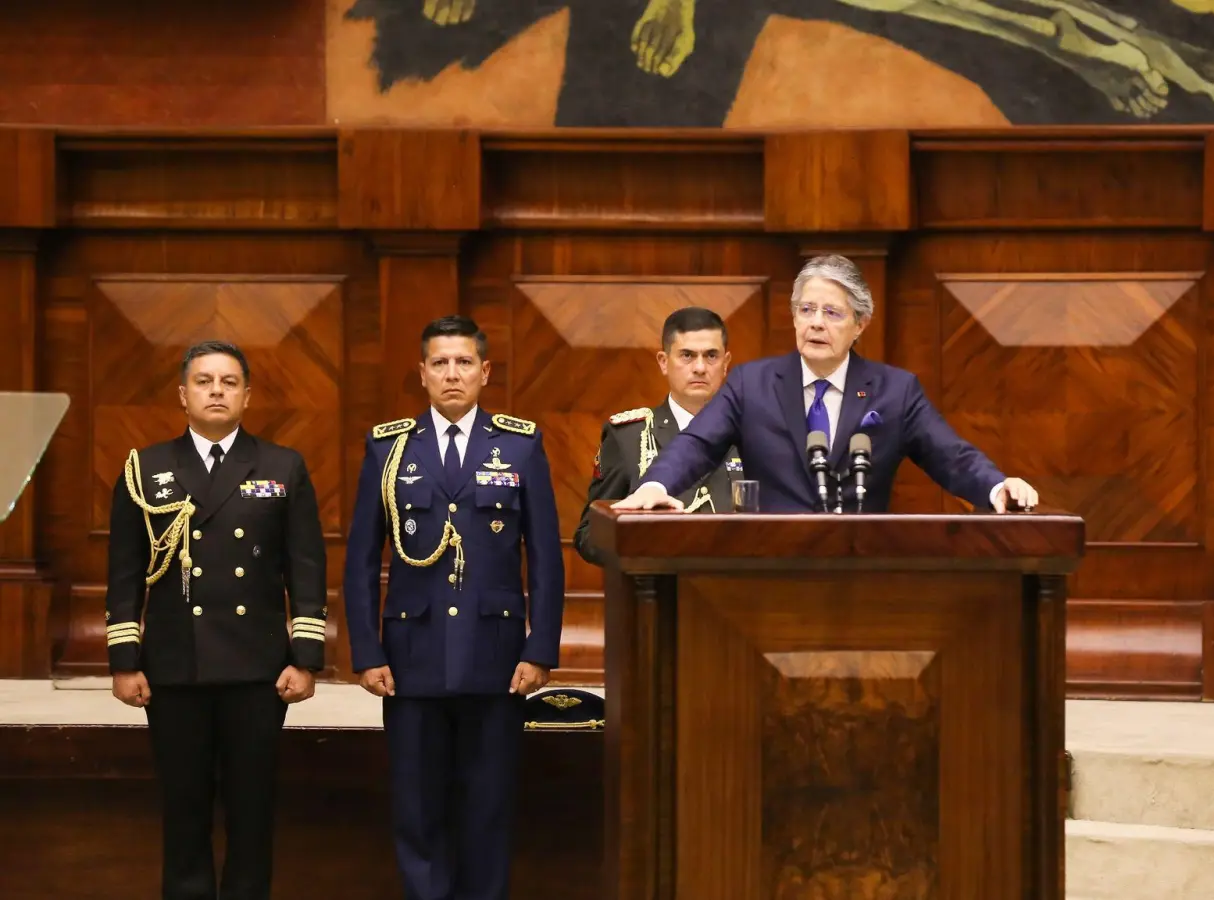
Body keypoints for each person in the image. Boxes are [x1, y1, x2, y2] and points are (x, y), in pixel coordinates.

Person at [343, 314, 564, 900]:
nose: (452, 374)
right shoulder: (388, 448)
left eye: (464, 362)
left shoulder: (520, 444)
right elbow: (362, 559)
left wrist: (541, 648)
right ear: (421, 373)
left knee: (488, 811)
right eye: (439, 363)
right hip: (410, 660)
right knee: (418, 813)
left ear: (485, 372)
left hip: (497, 660)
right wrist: (366, 651)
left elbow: (544, 555)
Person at [105, 340, 327, 900]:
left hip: (257, 671)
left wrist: (305, 659)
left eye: (229, 382)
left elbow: (304, 569)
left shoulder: (283, 465)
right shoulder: (145, 467)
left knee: (253, 813)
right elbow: (125, 574)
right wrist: (123, 661)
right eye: (204, 381)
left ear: (248, 396)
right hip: (176, 668)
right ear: (183, 395)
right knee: (184, 812)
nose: (216, 391)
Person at [616, 254, 1040, 513]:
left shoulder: (896, 391)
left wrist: (997, 485)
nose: (816, 322)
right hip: (766, 574)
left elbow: (952, 456)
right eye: (807, 309)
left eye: (832, 313)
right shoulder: (752, 384)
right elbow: (696, 444)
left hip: (861, 575)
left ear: (860, 325)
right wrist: (656, 485)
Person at [573, 306, 740, 563]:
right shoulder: (629, 436)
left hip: (735, 590)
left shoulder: (750, 434)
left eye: (711, 356)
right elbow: (589, 535)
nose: (699, 367)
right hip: (655, 591)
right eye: (686, 355)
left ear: (726, 363)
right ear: (664, 362)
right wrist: (642, 544)